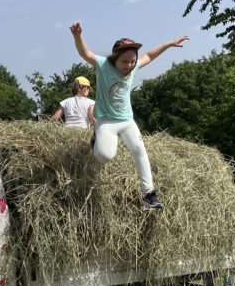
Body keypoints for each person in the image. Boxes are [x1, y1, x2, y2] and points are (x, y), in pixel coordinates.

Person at [69, 21, 187, 210]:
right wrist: (77, 36)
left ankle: (148, 195)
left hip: (126, 120)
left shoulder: (133, 68)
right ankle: (96, 141)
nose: (129, 65)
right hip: (106, 121)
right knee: (106, 156)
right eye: (125, 61)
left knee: (140, 151)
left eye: (132, 61)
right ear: (114, 59)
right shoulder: (102, 65)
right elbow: (86, 53)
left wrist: (169, 43)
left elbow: (149, 55)